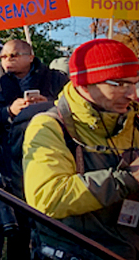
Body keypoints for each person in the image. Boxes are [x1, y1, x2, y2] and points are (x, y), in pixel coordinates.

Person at [23, 39, 139, 259]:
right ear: (85, 84)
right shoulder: (50, 125)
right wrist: (127, 180)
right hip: (72, 250)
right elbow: (48, 197)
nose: (132, 94)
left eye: (135, 83)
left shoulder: (135, 120)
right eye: (121, 84)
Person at [0, 39, 68, 259]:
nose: (7, 60)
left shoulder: (56, 80)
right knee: (14, 234)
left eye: (14, 55)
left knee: (49, 230)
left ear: (30, 56)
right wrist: (8, 113)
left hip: (48, 159)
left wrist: (47, 105)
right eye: (3, 56)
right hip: (6, 165)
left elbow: (72, 110)